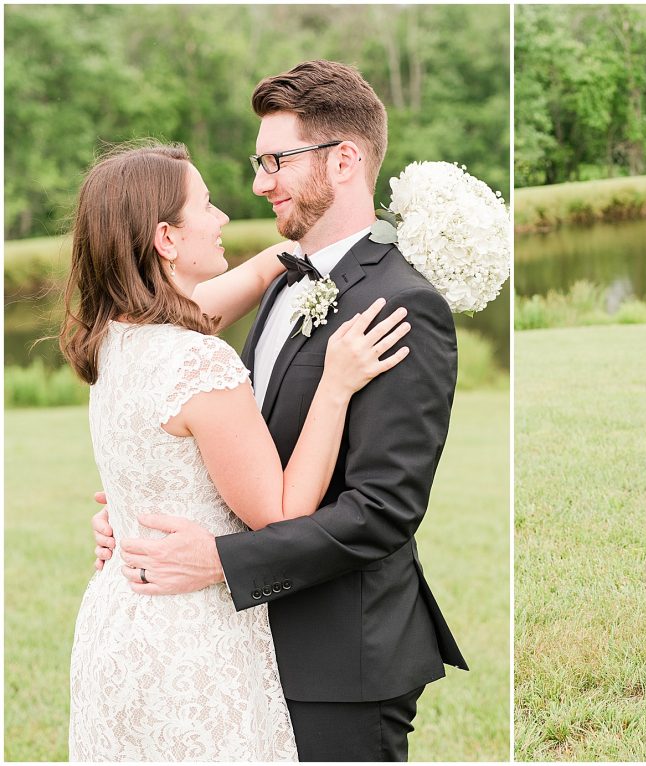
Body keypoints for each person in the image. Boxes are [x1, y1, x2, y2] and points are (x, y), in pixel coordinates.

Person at [92, 60, 468, 761]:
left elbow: (382, 510)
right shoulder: (284, 279)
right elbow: (229, 436)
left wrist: (222, 561)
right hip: (236, 651)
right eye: (258, 162)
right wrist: (134, 504)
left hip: (338, 660)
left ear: (345, 160)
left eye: (275, 161)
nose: (260, 183)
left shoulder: (402, 303)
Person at [63, 142, 410, 760]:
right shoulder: (197, 362)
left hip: (120, 625)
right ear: (166, 238)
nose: (223, 216)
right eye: (207, 205)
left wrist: (285, 257)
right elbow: (280, 513)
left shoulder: (116, 340)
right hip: (190, 635)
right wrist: (335, 385)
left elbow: (202, 310)